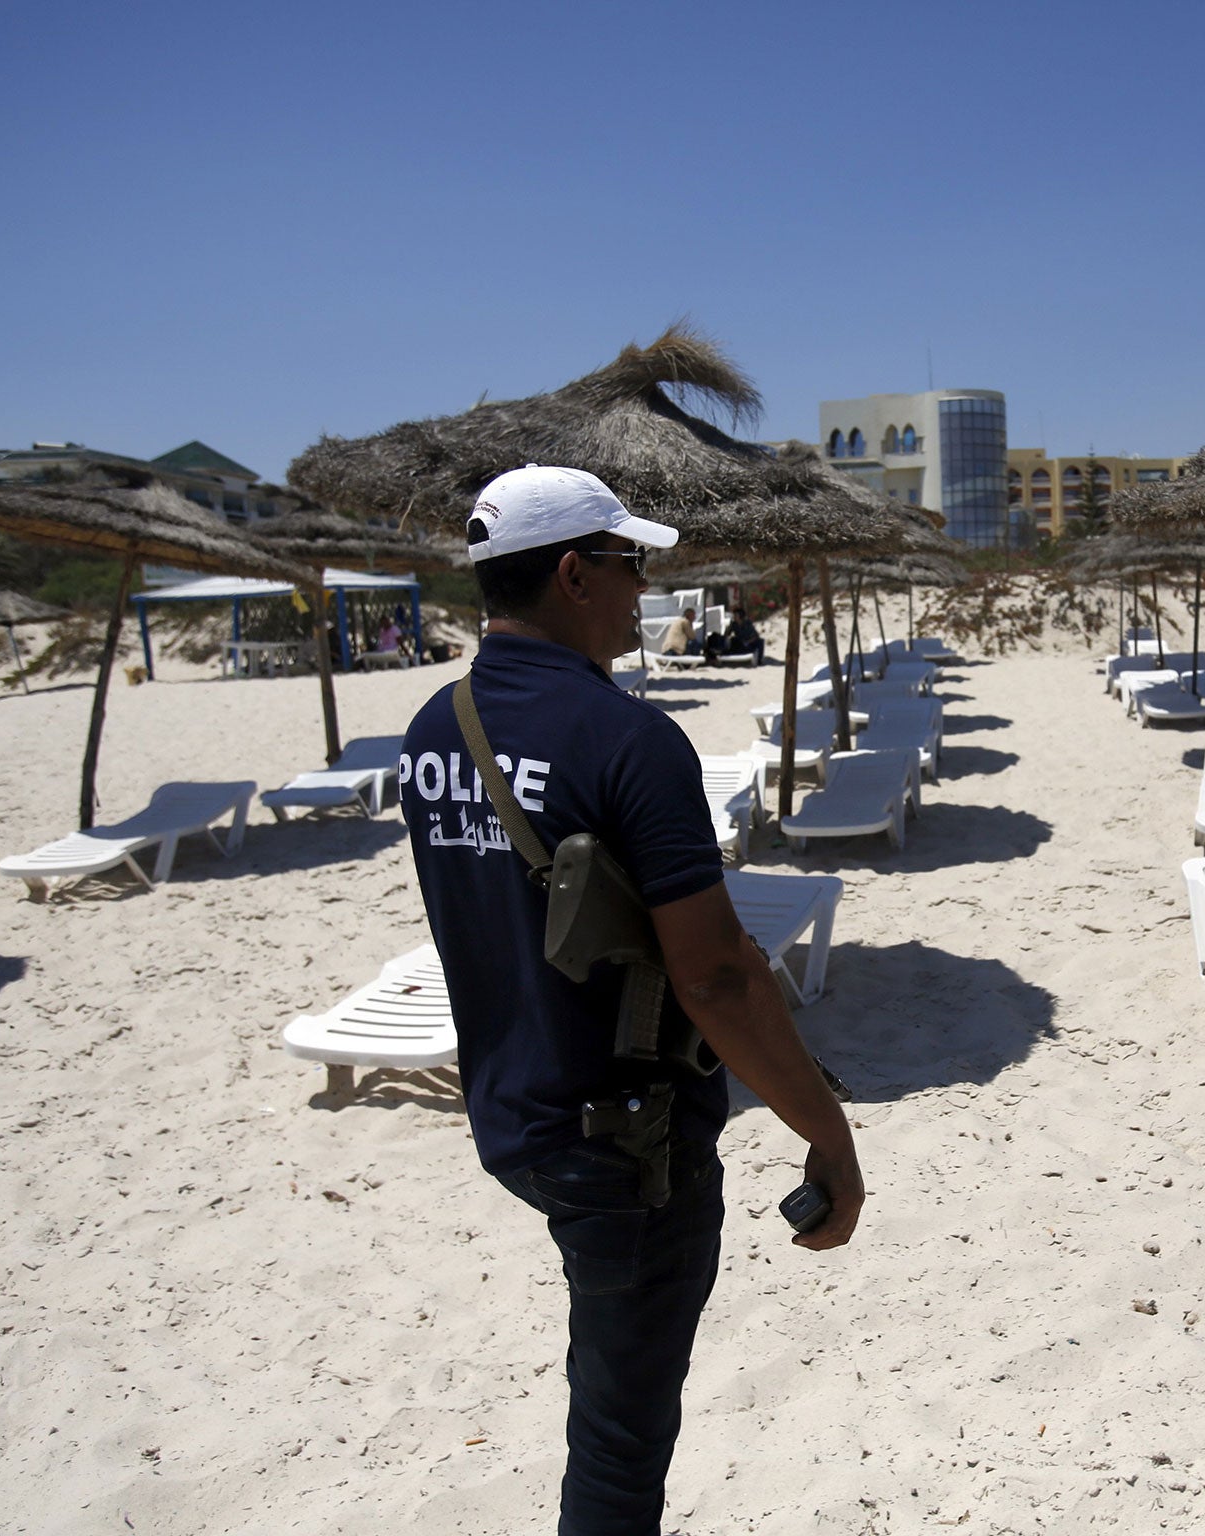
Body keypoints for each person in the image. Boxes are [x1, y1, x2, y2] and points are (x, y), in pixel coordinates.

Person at [398, 464, 863, 1535]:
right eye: (628, 564)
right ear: (572, 574)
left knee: (607, 1396)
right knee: (616, 1449)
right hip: (625, 1147)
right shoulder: (628, 740)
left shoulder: (434, 731)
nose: (640, 586)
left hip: (515, 1119)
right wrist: (825, 1130)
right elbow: (715, 974)